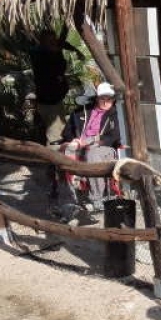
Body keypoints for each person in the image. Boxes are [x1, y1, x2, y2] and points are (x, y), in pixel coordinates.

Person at [57, 82, 121, 221]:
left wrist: (91, 141)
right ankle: (70, 200)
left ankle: (96, 198)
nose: (106, 102)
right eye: (102, 98)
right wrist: (73, 140)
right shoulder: (82, 111)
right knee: (64, 154)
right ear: (97, 98)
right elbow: (67, 132)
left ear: (113, 99)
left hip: (103, 146)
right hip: (80, 144)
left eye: (109, 98)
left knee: (92, 154)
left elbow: (114, 136)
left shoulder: (115, 114)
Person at [29, 26, 85, 146]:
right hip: (48, 102)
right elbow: (55, 52)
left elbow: (61, 44)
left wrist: (76, 50)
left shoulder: (52, 51)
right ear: (43, 42)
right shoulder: (40, 55)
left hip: (56, 100)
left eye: (54, 41)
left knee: (61, 131)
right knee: (56, 137)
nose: (54, 44)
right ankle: (55, 156)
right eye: (51, 42)